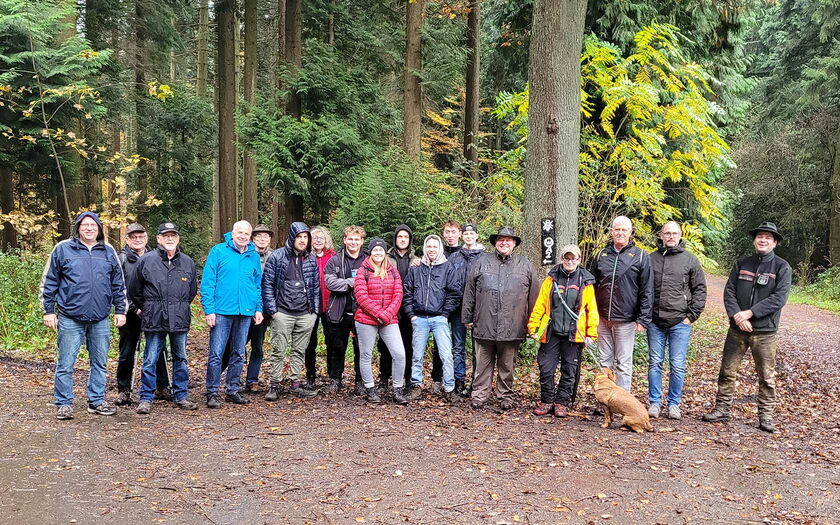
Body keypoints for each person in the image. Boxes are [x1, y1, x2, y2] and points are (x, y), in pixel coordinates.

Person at [703, 222, 791, 433]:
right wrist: (737, 316)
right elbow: (729, 292)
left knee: (766, 377)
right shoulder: (742, 264)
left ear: (775, 242)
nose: (763, 240)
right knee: (727, 372)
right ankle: (722, 409)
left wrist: (750, 313)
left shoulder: (782, 267)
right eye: (760, 236)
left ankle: (766, 416)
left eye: (768, 238)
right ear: (754, 240)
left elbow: (779, 298)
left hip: (765, 332)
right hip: (737, 330)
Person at [40, 211, 127, 420]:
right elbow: (50, 281)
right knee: (66, 363)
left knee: (99, 362)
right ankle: (64, 403)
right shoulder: (63, 249)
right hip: (70, 317)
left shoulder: (108, 251)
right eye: (85, 225)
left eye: (93, 225)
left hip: (100, 318)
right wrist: (48, 310)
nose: (89, 228)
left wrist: (121, 310)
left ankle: (96, 401)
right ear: (78, 228)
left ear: (99, 229)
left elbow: (118, 283)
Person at [462, 226, 539, 411]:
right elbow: (470, 291)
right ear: (495, 243)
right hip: (484, 323)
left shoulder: (525, 265)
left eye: (508, 240)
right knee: (482, 364)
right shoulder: (482, 262)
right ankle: (479, 395)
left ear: (514, 244)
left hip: (512, 325)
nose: (504, 243)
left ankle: (505, 395)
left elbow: (534, 297)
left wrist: (532, 324)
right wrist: (467, 316)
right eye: (500, 240)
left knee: (507, 366)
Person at [130, 222, 199, 414]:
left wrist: (178, 305)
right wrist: (148, 308)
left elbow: (191, 291)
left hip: (179, 317)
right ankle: (146, 397)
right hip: (154, 318)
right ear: (158, 239)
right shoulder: (146, 260)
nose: (170, 239)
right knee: (150, 358)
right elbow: (134, 290)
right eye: (165, 236)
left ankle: (181, 395)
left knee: (181, 358)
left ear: (178, 239)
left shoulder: (187, 262)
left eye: (173, 236)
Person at [527, 245, 599, 417]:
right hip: (551, 331)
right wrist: (533, 326)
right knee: (546, 368)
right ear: (562, 259)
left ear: (579, 260)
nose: (570, 261)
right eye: (567, 258)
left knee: (569, 369)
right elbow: (540, 305)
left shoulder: (585, 281)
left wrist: (591, 333)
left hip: (574, 334)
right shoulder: (551, 280)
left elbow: (591, 309)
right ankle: (546, 400)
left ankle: (561, 402)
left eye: (573, 258)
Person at [647, 221, 707, 420]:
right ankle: (654, 402)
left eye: (675, 233)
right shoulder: (650, 259)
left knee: (677, 364)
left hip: (680, 321)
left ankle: (674, 404)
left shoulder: (690, 260)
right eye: (667, 233)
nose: (671, 236)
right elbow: (643, 290)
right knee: (655, 363)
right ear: (661, 235)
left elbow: (699, 289)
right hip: (655, 321)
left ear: (680, 236)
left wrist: (691, 316)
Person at [201, 220, 263, 408]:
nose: (243, 236)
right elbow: (208, 282)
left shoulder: (253, 255)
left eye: (246, 233)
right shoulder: (219, 251)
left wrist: (258, 308)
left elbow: (256, 284)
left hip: (245, 312)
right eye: (240, 233)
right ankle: (212, 391)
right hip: (221, 311)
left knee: (238, 353)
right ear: (233, 233)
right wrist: (209, 310)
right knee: (217, 353)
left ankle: (232, 390)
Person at [590, 216, 653, 392]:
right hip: (602, 318)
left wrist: (643, 319)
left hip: (626, 319)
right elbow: (591, 287)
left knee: (623, 363)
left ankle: (622, 399)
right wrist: (590, 314)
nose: (620, 233)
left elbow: (647, 289)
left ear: (630, 232)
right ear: (611, 232)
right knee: (604, 360)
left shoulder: (640, 257)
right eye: (617, 229)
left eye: (624, 230)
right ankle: (605, 399)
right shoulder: (601, 255)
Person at [262, 222, 320, 400]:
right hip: (283, 312)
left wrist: (314, 312)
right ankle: (274, 384)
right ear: (292, 237)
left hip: (305, 313)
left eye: (305, 237)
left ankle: (295, 384)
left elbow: (316, 286)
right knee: (279, 350)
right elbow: (267, 284)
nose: (302, 241)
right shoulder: (277, 257)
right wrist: (273, 311)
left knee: (299, 350)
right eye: (299, 237)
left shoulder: (311, 259)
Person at [115, 223, 171, 406]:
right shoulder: (121, 259)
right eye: (133, 237)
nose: (137, 240)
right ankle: (124, 390)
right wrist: (135, 308)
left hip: (153, 313)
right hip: (130, 313)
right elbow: (119, 287)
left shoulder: (156, 257)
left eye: (140, 236)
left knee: (158, 350)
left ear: (146, 238)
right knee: (127, 352)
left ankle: (162, 386)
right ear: (127, 239)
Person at [403, 235, 461, 402]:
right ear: (425, 248)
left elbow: (454, 293)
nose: (432, 250)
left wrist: (445, 314)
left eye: (435, 247)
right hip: (419, 318)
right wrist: (411, 315)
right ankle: (416, 385)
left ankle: (449, 387)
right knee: (417, 355)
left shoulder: (447, 268)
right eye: (429, 247)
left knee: (446, 355)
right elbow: (407, 292)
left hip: (439, 318)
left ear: (440, 248)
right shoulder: (416, 268)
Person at [353, 238, 409, 404]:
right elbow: (361, 296)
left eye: (381, 250)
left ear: (385, 252)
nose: (378, 253)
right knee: (366, 354)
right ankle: (370, 389)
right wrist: (378, 313)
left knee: (399, 354)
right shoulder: (363, 271)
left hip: (389, 319)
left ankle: (398, 389)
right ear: (370, 252)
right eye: (375, 250)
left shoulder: (392, 271)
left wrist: (387, 314)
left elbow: (398, 294)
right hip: (366, 319)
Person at [220, 224, 274, 391]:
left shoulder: (274, 257)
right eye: (259, 236)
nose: (262, 239)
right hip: (240, 307)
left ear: (270, 239)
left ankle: (252, 380)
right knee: (235, 344)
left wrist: (269, 308)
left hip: (262, 309)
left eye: (266, 236)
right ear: (253, 238)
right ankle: (221, 376)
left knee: (257, 345)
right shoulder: (246, 254)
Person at [323, 225, 367, 394]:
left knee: (361, 349)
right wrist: (352, 282)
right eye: (350, 239)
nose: (353, 242)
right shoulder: (335, 260)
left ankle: (360, 381)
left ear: (362, 241)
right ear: (344, 240)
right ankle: (335, 380)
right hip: (339, 311)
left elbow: (371, 283)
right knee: (336, 347)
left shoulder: (368, 260)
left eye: (357, 239)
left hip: (362, 311)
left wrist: (350, 283)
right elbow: (330, 283)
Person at [378, 224, 419, 389]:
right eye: (400, 236)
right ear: (395, 239)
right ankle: (384, 378)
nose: (403, 240)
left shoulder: (416, 260)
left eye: (406, 237)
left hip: (409, 308)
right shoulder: (386, 258)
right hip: (389, 308)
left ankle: (407, 377)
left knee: (408, 344)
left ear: (410, 240)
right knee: (385, 345)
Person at [446, 222, 485, 395]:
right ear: (462, 237)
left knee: (478, 348)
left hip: (479, 310)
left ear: (476, 236)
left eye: (472, 234)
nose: (469, 237)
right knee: (458, 346)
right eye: (466, 234)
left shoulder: (484, 258)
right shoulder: (455, 257)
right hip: (457, 309)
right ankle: (459, 380)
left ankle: (476, 383)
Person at [428, 220, 464, 391]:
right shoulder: (438, 252)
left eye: (453, 232)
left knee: (458, 345)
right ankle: (437, 377)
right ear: (443, 234)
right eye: (447, 232)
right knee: (438, 345)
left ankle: (458, 380)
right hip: (438, 307)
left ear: (460, 233)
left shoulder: (464, 254)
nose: (450, 235)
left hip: (458, 308)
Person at [304, 226, 335, 388]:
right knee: (310, 342)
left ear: (326, 241)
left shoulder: (334, 257)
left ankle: (332, 375)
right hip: (310, 306)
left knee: (331, 341)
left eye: (321, 238)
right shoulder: (305, 257)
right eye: (315, 238)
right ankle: (310, 375)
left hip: (330, 305)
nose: (318, 241)